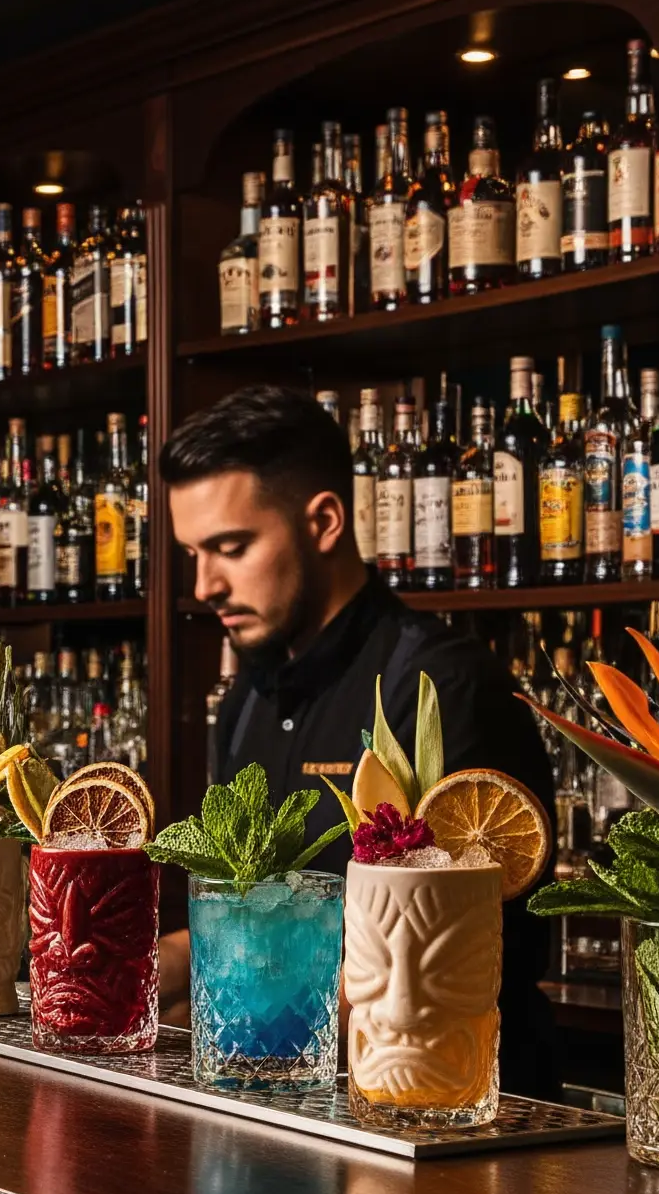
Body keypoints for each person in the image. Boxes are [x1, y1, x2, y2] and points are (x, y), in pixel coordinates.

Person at [158, 383, 559, 1098]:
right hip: (287, 1106)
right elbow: (256, 919)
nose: (205, 585)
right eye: (194, 553)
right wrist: (130, 976)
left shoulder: (441, 687)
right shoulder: (247, 700)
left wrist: (209, 1035)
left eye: (230, 548)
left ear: (324, 521)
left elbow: (434, 953)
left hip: (443, 1111)